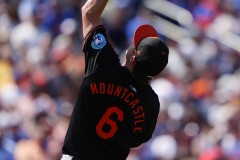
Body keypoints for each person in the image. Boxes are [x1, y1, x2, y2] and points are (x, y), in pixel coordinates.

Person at [61, 0, 169, 159]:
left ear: (132, 58)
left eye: (136, 45)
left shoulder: (104, 66)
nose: (132, 44)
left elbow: (89, 12)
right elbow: (137, 140)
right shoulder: (151, 104)